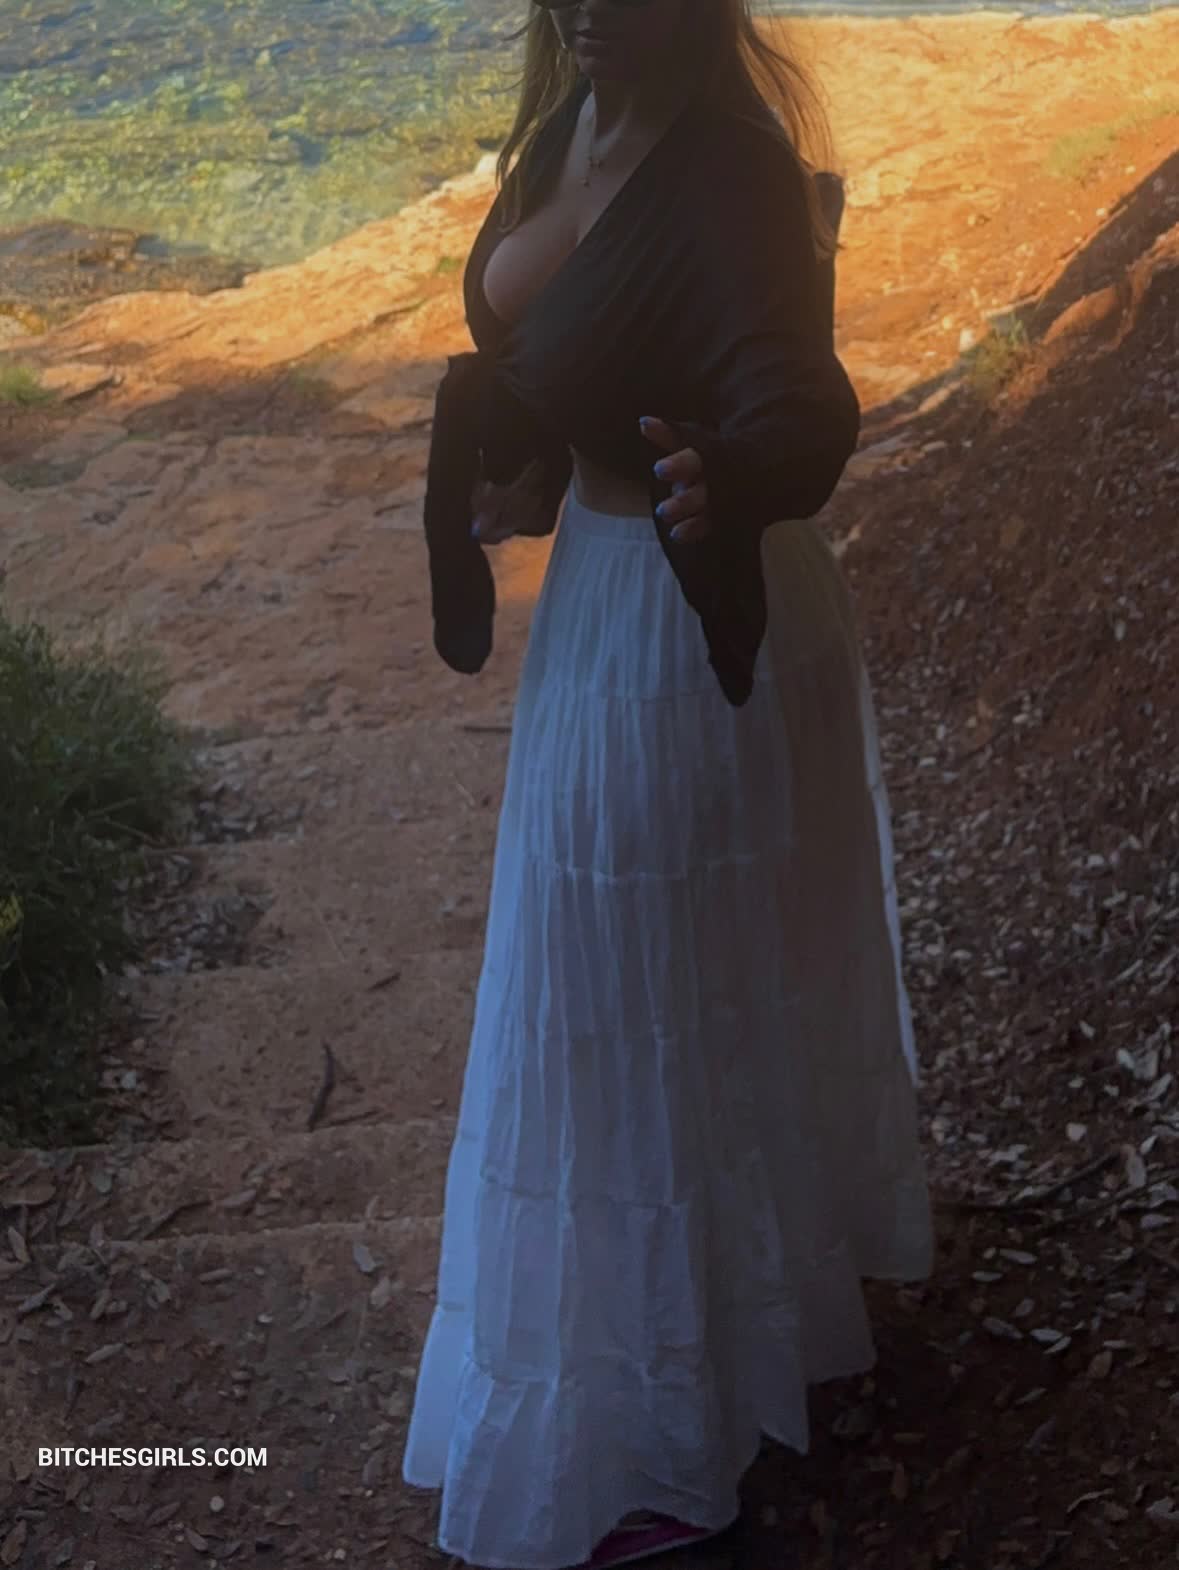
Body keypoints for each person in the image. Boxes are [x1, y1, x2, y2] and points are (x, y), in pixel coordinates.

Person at [403, 3, 934, 1566]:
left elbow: (797, 395)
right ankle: (733, 1338)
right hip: (605, 597)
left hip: (690, 621)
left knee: (616, 1006)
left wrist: (741, 466)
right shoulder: (569, 124)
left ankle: (653, 1431)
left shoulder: (736, 170)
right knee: (673, 996)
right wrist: (520, 466)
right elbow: (569, 347)